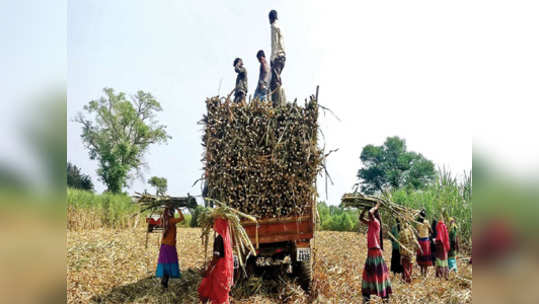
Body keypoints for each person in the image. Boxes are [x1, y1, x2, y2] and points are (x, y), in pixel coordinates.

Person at [359, 202, 392, 303]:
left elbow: (370, 213)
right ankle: (367, 297)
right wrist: (364, 209)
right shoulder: (371, 223)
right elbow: (361, 218)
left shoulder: (376, 222)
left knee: (377, 274)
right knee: (369, 274)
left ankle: (385, 297)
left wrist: (377, 206)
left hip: (375, 252)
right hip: (371, 252)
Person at [198, 217, 234, 304]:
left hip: (220, 271)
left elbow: (216, 257)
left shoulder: (219, 239)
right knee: (222, 295)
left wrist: (208, 270)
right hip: (226, 271)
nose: (214, 225)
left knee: (217, 296)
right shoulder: (227, 238)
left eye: (216, 223)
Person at [156, 207, 184, 289]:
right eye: (173, 211)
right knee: (168, 264)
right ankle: (164, 283)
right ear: (171, 213)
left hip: (164, 246)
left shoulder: (164, 220)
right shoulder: (171, 220)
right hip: (169, 246)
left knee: (166, 263)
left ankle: (164, 282)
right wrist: (179, 210)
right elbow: (182, 218)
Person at [268, 10, 286, 107]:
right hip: (283, 56)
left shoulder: (273, 27)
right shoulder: (280, 27)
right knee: (277, 78)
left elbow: (274, 43)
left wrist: (272, 58)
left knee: (274, 81)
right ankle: (280, 99)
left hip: (277, 56)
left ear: (271, 18)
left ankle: (277, 103)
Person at [434, 209, 451, 279]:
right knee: (445, 260)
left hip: (440, 246)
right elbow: (446, 237)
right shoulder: (443, 225)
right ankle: (445, 275)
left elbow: (440, 237)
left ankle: (441, 274)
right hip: (444, 246)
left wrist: (436, 241)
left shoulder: (440, 225)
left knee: (440, 260)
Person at [416, 209, 433, 277]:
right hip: (426, 241)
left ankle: (421, 272)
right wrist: (429, 233)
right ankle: (425, 273)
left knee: (421, 256)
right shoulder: (426, 222)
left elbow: (417, 231)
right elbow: (431, 230)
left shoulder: (418, 223)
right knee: (426, 256)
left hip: (420, 241)